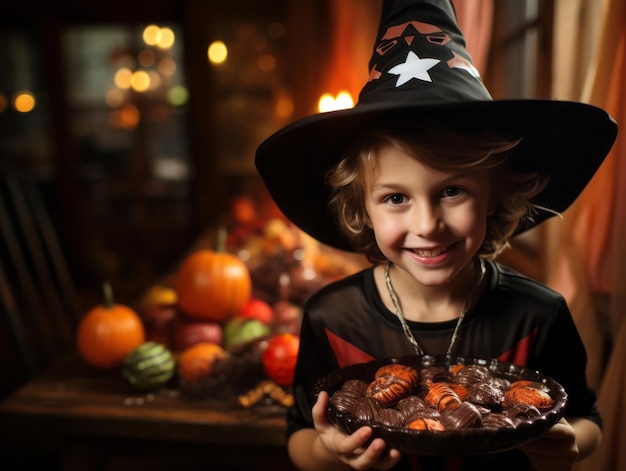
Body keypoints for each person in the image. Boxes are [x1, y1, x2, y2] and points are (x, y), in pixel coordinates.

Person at [254, 0, 618, 470]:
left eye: (452, 191)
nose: (427, 225)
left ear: (493, 194)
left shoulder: (538, 315)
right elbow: (301, 438)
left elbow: (586, 421)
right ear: (361, 208)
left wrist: (570, 446)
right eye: (395, 198)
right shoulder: (331, 318)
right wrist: (331, 453)